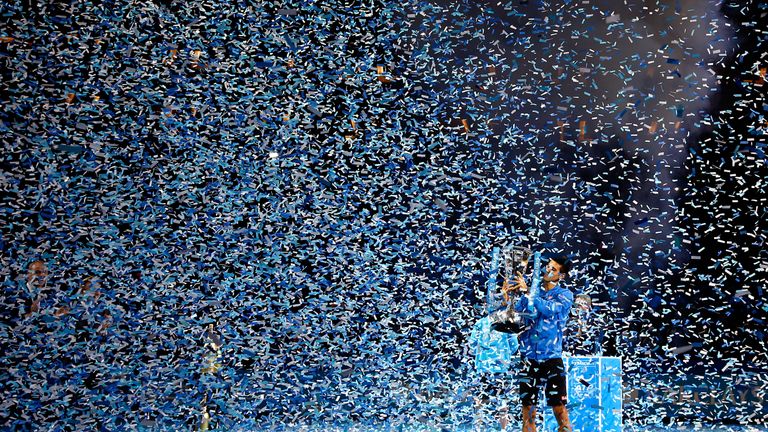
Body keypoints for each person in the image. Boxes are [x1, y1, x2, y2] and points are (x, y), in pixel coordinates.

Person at [505, 254, 574, 432]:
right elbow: (516, 313)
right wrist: (508, 296)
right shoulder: (532, 290)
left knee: (559, 410)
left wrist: (529, 292)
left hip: (552, 358)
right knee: (528, 411)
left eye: (553, 269)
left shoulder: (565, 295)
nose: (547, 270)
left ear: (562, 276)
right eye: (547, 266)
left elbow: (549, 309)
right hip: (528, 357)